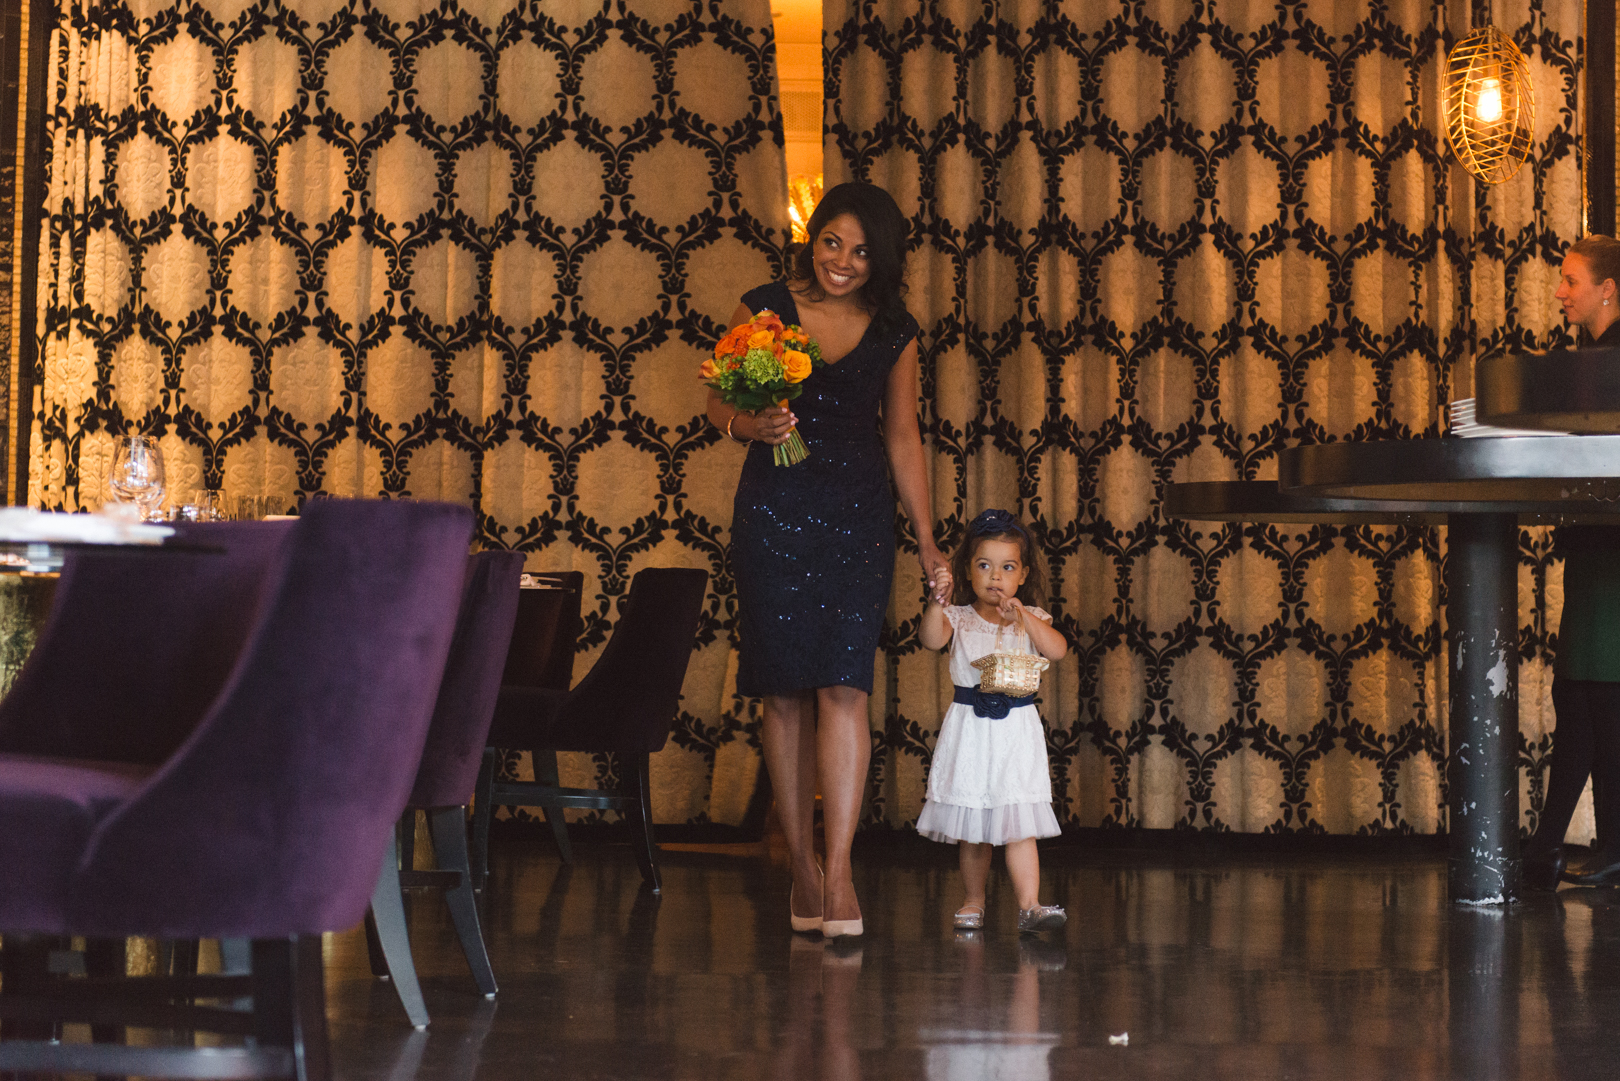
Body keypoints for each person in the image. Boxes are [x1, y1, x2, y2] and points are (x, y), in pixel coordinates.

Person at [707, 182, 947, 937]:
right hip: (774, 511)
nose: (842, 261)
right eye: (832, 241)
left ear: (883, 259)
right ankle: (802, 864)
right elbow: (714, 402)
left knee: (846, 686)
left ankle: (839, 872)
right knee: (783, 692)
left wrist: (929, 536)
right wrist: (754, 421)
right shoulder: (763, 306)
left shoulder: (896, 330)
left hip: (857, 517)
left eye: (861, 250)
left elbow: (904, 437)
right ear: (813, 238)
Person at [915, 509, 1068, 932]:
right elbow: (930, 639)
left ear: (1022, 575)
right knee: (974, 824)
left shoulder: (1032, 617)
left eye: (1007, 567)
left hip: (1016, 733)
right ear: (968, 570)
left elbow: (1056, 651)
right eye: (984, 565)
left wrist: (1025, 618)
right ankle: (973, 899)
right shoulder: (959, 617)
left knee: (1019, 823)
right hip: (971, 730)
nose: (995, 577)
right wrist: (938, 603)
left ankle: (1030, 905)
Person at [1522, 234, 1620, 889]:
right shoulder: (1591, 358)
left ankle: (1554, 850)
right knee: (1581, 696)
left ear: (1606, 288)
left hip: (1612, 546)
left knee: (1596, 695)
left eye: (1570, 280)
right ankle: (1559, 848)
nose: (1559, 292)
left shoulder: (1611, 360)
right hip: (1595, 542)